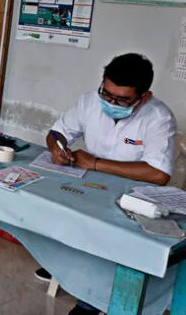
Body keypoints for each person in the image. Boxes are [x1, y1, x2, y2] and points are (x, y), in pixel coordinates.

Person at [39, 53, 177, 315]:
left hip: (133, 198)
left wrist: (94, 163)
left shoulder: (158, 118)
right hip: (90, 189)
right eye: (107, 93)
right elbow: (57, 132)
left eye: (122, 99)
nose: (111, 102)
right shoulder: (90, 102)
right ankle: (63, 265)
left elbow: (159, 174)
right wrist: (57, 148)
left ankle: (91, 303)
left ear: (143, 97)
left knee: (109, 242)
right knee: (53, 207)